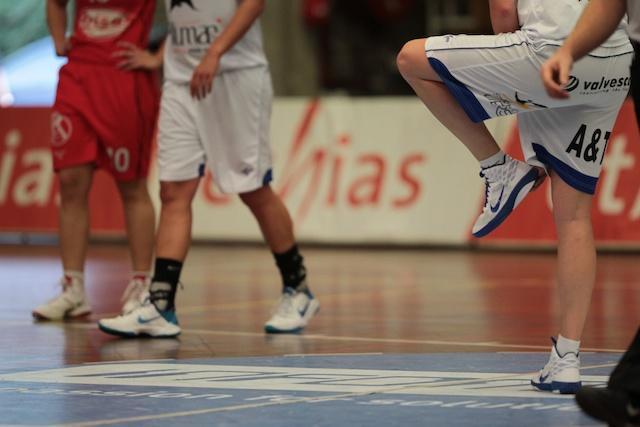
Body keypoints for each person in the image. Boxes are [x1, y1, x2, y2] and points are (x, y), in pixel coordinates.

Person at [396, 0, 633, 394]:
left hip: (551, 52)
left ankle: (498, 168)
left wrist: (504, 68)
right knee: (574, 216)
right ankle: (567, 359)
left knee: (410, 59)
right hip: (615, 61)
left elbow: (504, 8)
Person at [97, 0, 320, 338]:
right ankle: (161, 304)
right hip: (181, 81)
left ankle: (298, 289)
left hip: (236, 76)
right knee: (173, 190)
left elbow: (254, 4)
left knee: (253, 189)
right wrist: (159, 58)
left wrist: (214, 52)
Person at [542, 0, 640, 423]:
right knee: (573, 215)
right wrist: (568, 51)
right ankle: (628, 389)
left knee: (412, 58)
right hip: (627, 60)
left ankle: (627, 389)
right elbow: (612, 2)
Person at [33, 0, 159, 320]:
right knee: (71, 181)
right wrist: (59, 40)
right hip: (77, 76)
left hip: (124, 78)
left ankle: (142, 285)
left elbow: (195, 14)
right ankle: (72, 289)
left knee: (132, 186)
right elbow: (56, 3)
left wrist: (158, 56)